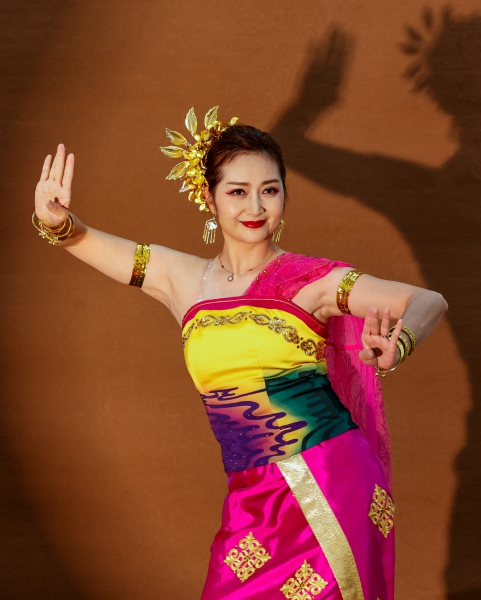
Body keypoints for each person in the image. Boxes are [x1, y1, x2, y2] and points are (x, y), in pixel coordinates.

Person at [31, 107, 448, 600]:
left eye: (269, 190)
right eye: (237, 191)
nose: (255, 206)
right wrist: (55, 221)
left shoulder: (310, 280)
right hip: (251, 498)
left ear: (284, 196)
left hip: (329, 481)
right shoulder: (181, 278)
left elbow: (427, 301)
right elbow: (81, 238)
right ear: (209, 198)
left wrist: (399, 344)